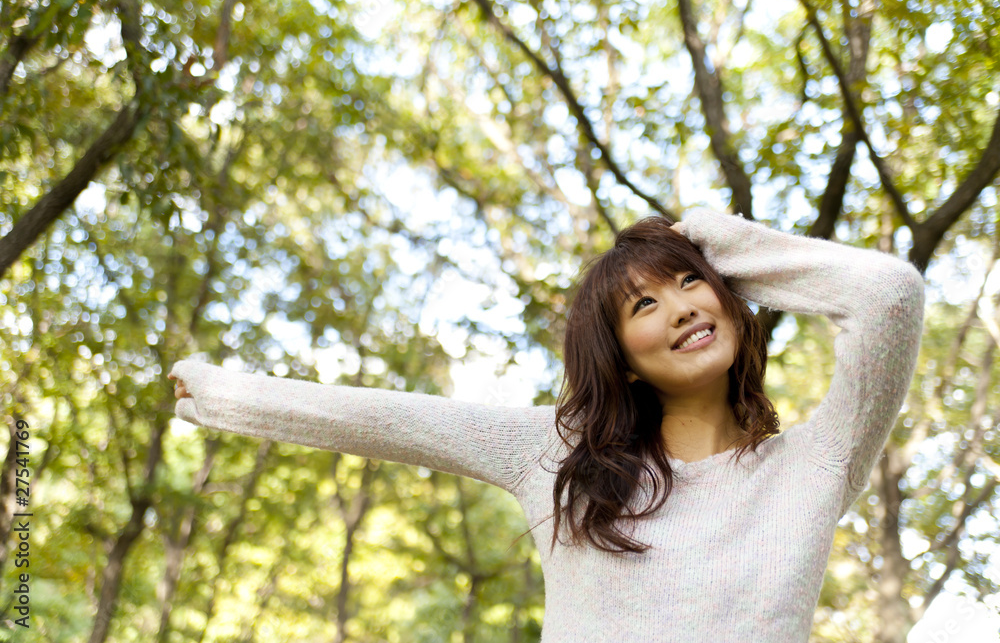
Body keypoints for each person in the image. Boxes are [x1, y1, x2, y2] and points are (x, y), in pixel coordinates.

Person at [168, 207, 925, 641]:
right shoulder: (562, 459)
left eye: (693, 282)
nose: (684, 305)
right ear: (622, 360)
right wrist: (224, 395)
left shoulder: (814, 465)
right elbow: (383, 418)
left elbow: (888, 295)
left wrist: (723, 244)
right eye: (644, 304)